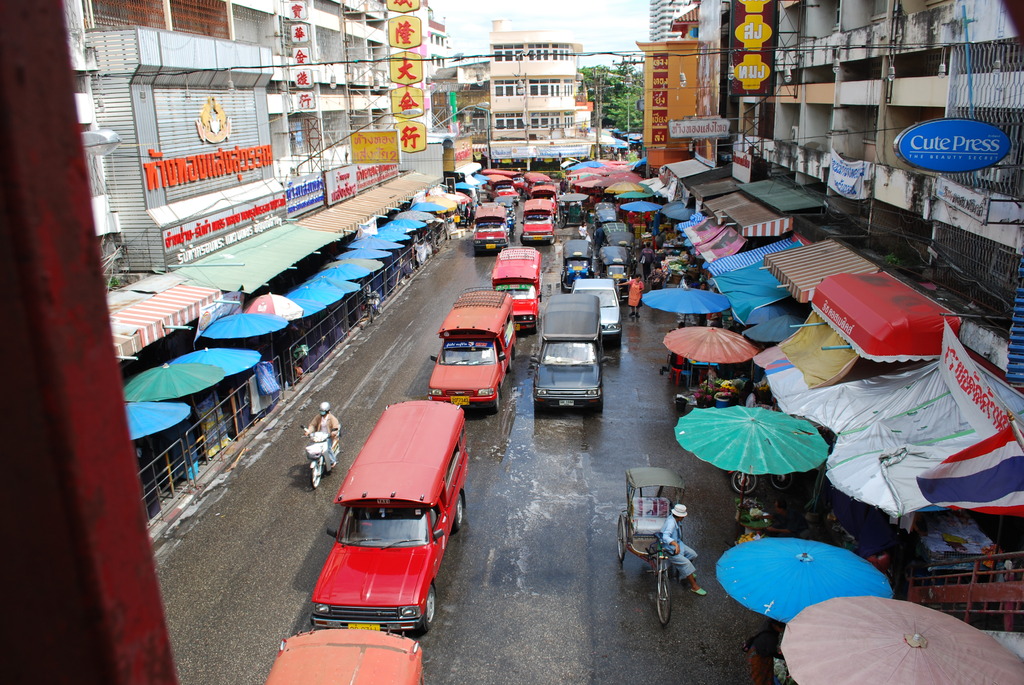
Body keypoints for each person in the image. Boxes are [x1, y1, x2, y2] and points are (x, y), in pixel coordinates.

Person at [658, 504, 706, 595]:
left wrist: (677, 544)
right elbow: (665, 537)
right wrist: (675, 544)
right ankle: (694, 586)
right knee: (686, 564)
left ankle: (685, 572)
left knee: (693, 554)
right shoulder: (671, 523)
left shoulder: (675, 520)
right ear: (680, 516)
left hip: (679, 544)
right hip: (669, 548)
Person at [742, 619, 785, 685]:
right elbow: (772, 652)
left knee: (760, 676)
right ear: (776, 626)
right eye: (781, 628)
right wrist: (784, 657)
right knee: (762, 677)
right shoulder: (770, 637)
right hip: (760, 656)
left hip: (756, 650)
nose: (782, 630)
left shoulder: (768, 625)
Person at [304, 401, 340, 469]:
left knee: (328, 448)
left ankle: (333, 461)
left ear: (327, 411)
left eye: (323, 411)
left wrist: (333, 433)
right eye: (321, 411)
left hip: (328, 436)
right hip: (319, 436)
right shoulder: (318, 417)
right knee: (312, 446)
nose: (321, 413)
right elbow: (312, 425)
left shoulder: (332, 418)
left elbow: (335, 427)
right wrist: (308, 431)